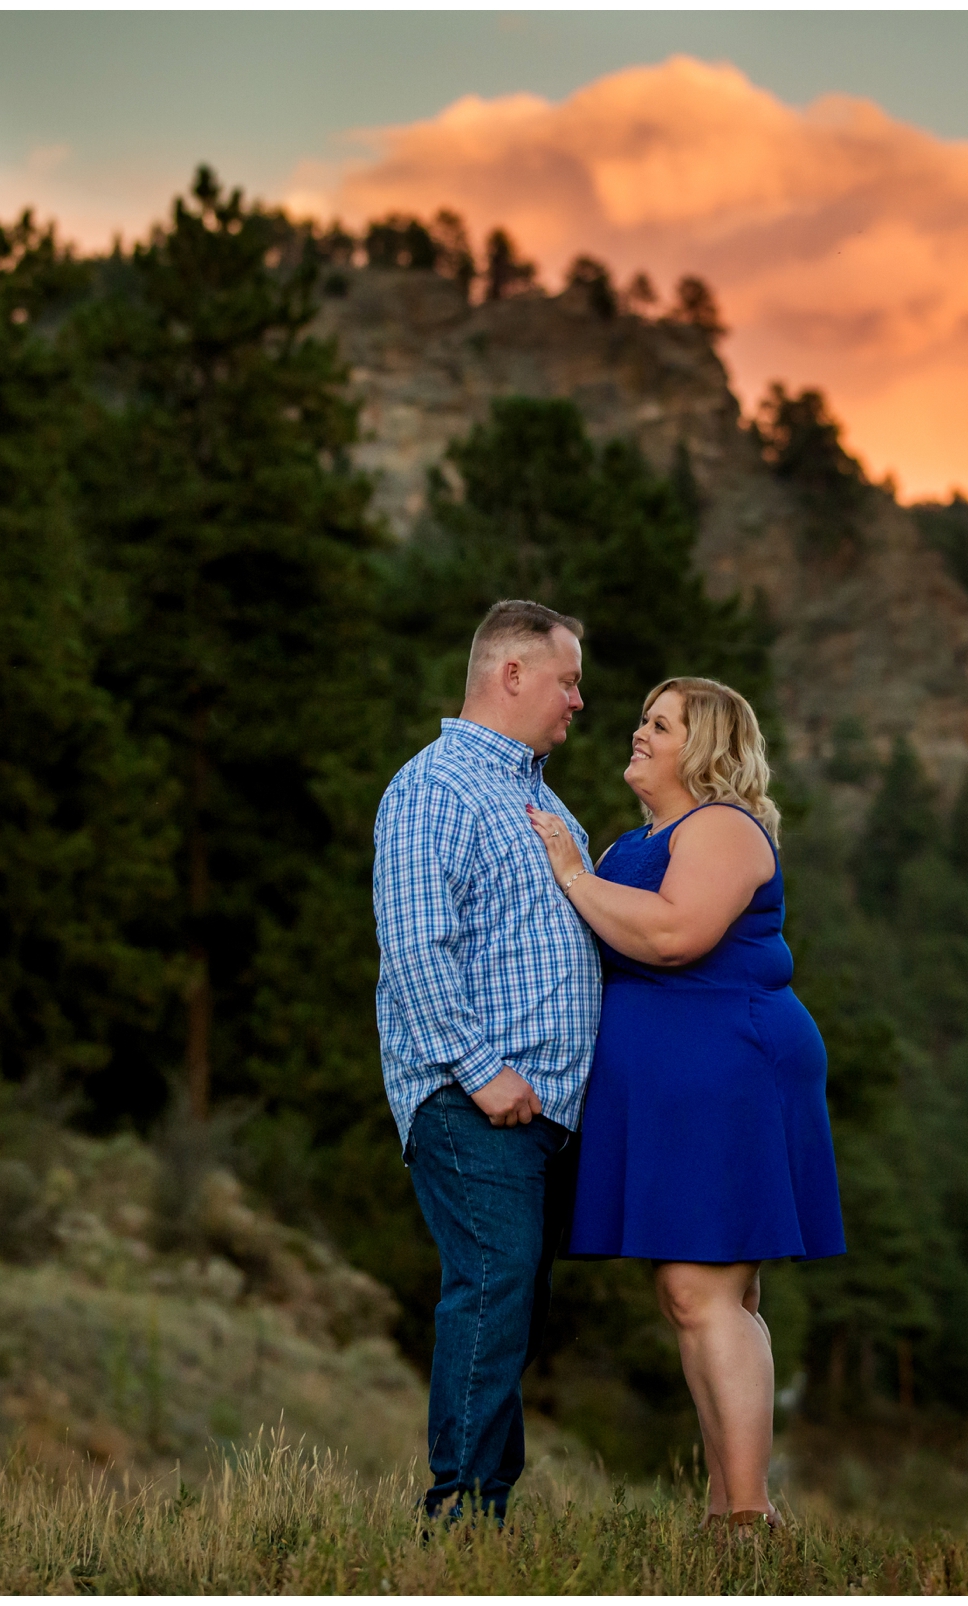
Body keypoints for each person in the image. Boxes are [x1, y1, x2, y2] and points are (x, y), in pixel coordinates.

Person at [524, 676, 844, 1532]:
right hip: (677, 1078)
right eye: (643, 720)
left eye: (659, 726)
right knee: (701, 1295)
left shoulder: (723, 829)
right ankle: (732, 1509)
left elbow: (674, 934)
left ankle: (744, 1520)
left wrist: (568, 873)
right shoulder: (652, 836)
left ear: (702, 751)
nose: (639, 733)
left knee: (704, 1290)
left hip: (727, 1066)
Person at [372, 599, 601, 1524]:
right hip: (476, 1101)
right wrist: (481, 1069)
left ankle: (486, 1511)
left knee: (516, 1301)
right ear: (511, 675)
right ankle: (461, 1512)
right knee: (495, 1285)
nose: (580, 701)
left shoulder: (541, 799)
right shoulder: (437, 786)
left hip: (538, 1115)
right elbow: (416, 945)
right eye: (568, 679)